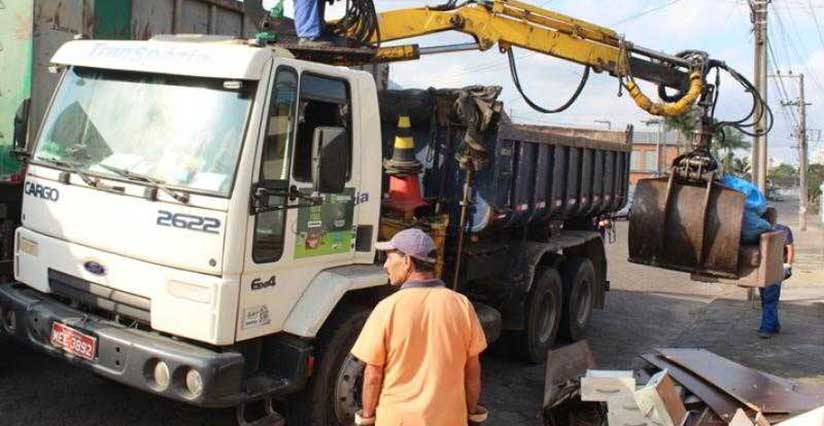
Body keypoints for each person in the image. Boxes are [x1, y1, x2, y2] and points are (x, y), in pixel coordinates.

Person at [350, 228, 489, 426]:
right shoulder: (462, 305)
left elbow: (373, 375)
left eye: (389, 258)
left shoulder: (387, 308)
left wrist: (367, 416)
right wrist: (472, 412)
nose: (386, 265)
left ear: (407, 261)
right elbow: (472, 371)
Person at [759, 222, 794, 339]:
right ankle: (774, 325)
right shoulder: (759, 229)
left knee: (769, 298)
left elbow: (790, 248)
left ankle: (766, 329)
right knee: (766, 299)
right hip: (763, 270)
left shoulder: (783, 229)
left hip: (776, 269)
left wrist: (787, 265)